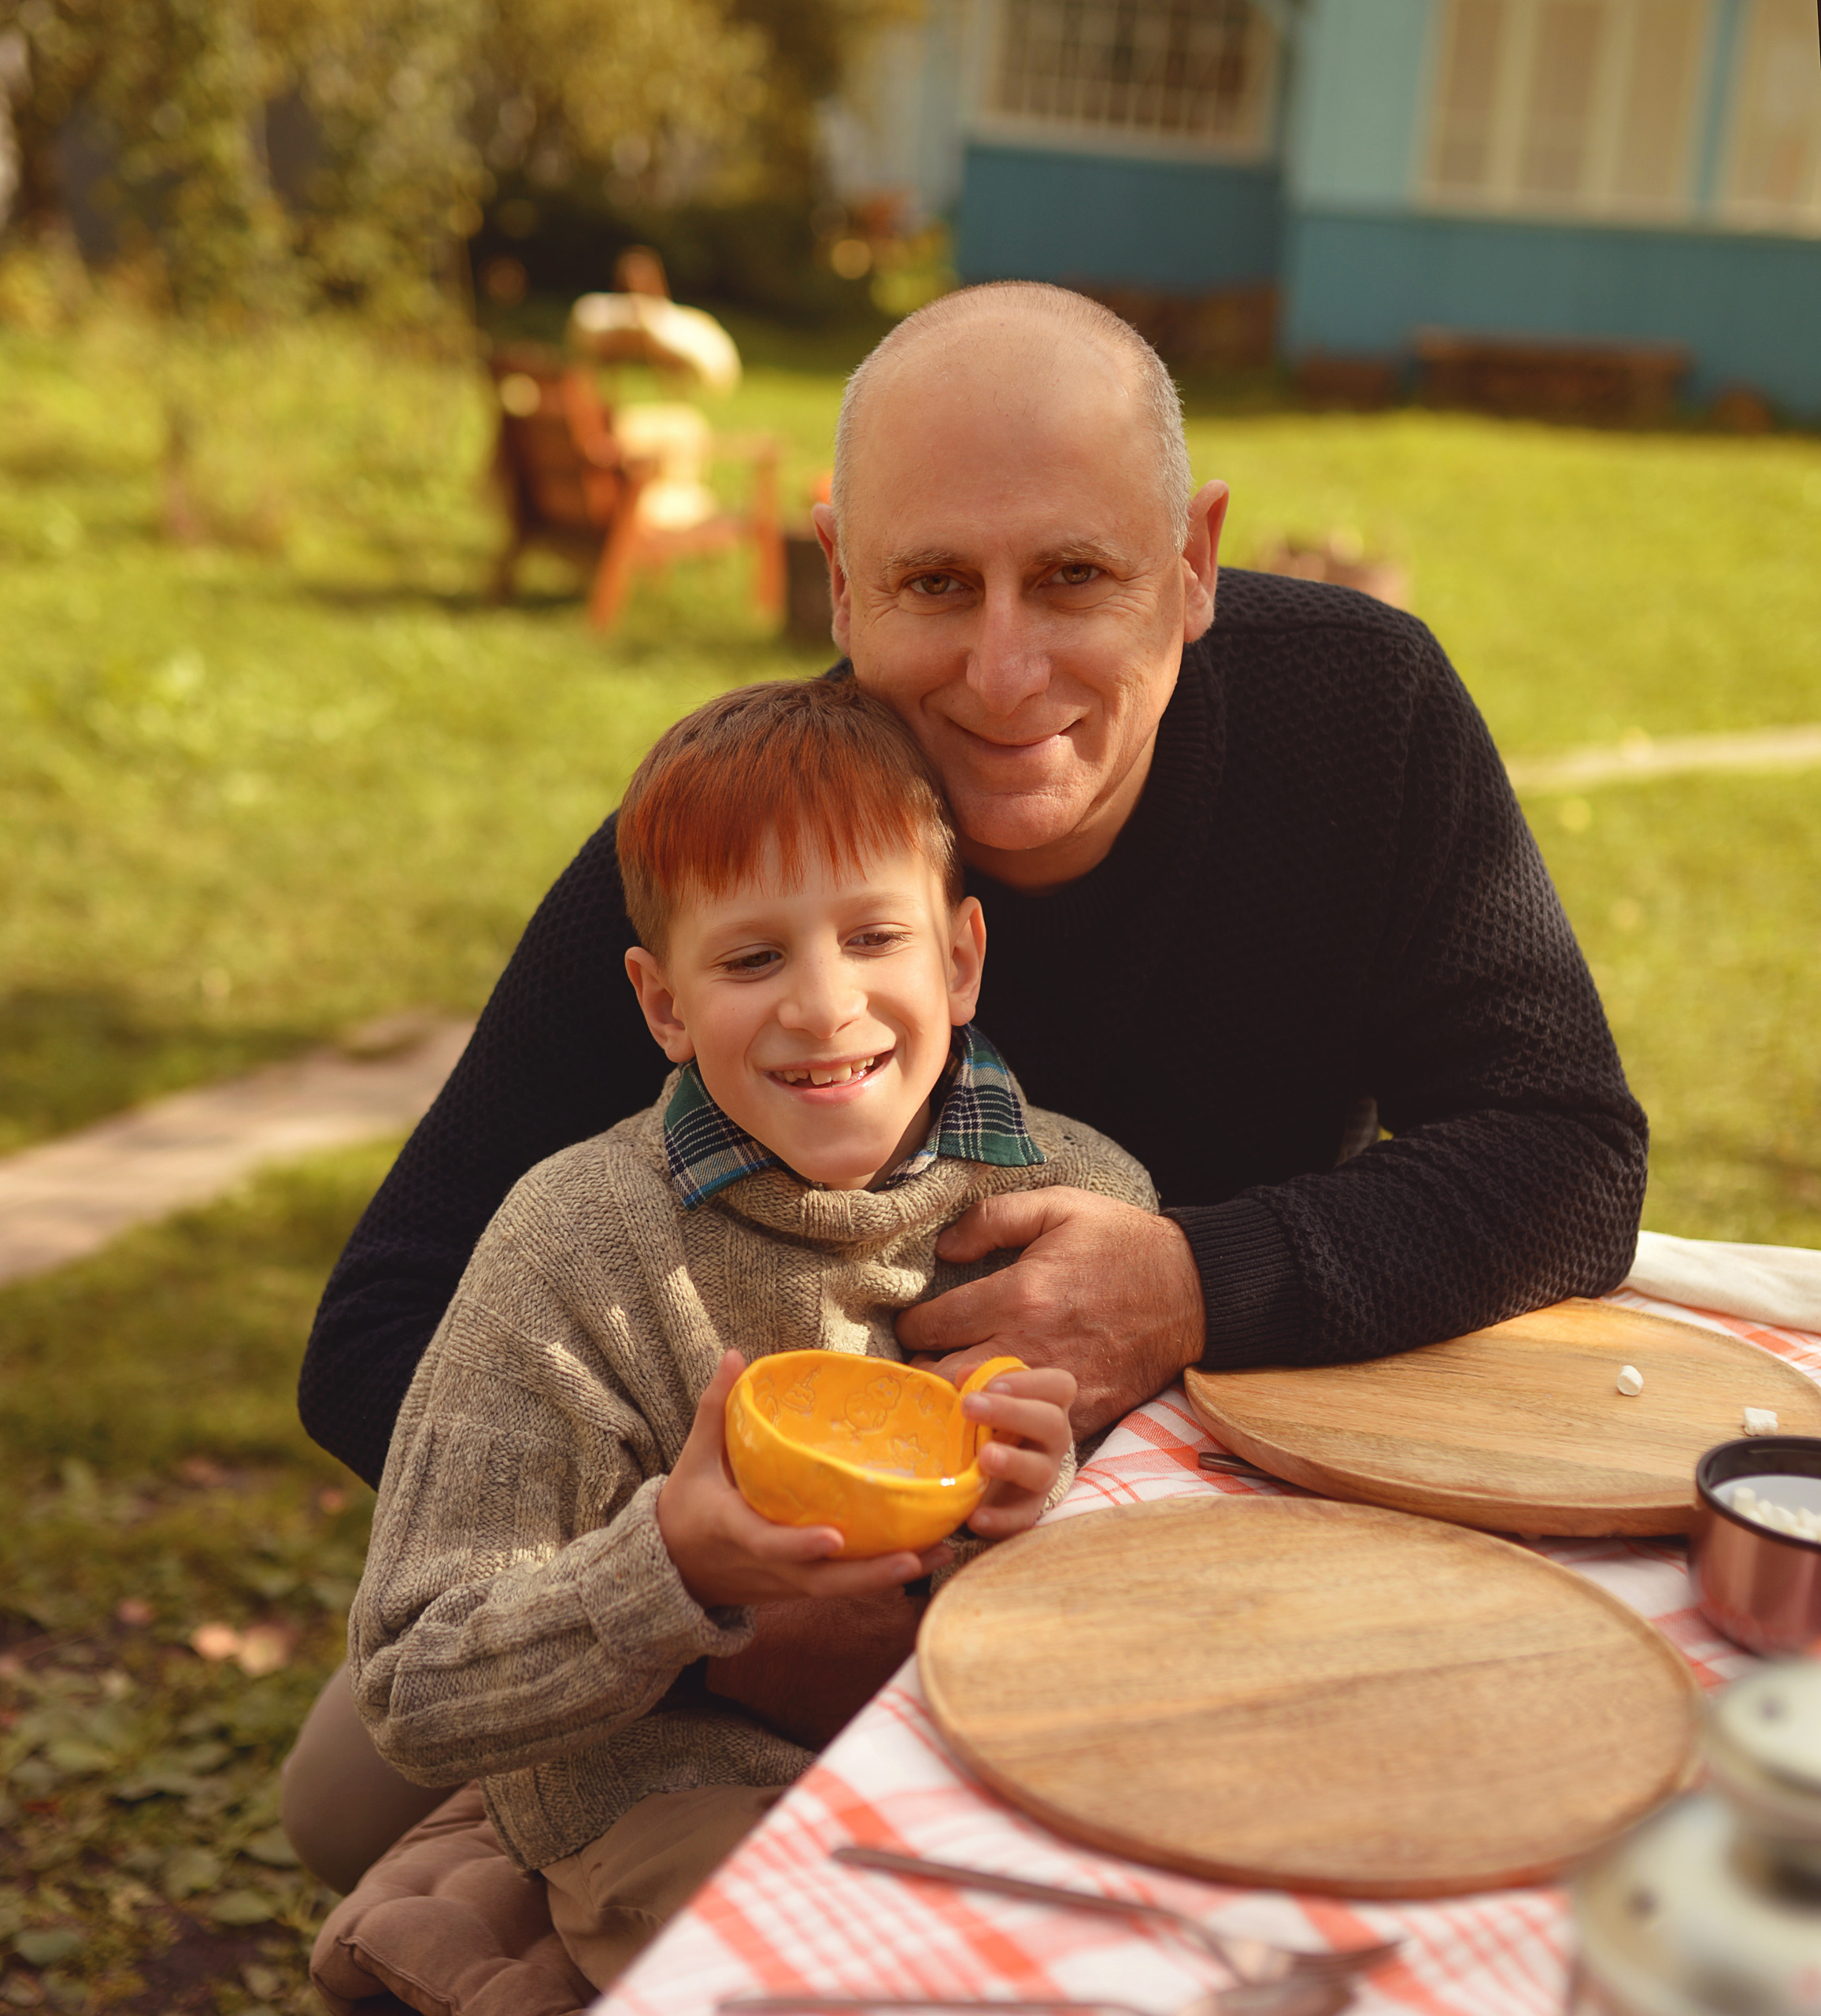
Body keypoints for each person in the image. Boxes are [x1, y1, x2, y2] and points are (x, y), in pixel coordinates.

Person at [287, 281, 1646, 1884]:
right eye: (934, 582)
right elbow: (378, 1318)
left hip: (1119, 1539)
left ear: (1193, 563)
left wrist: (1196, 1278)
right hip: (720, 1567)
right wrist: (731, 1604)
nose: (1003, 673)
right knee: (336, 1802)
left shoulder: (1361, 719)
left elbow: (1564, 1146)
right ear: (839, 583)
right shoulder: (739, 851)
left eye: (1073, 575)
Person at [316, 678, 1154, 2004]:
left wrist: (1041, 1490)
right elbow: (415, 1684)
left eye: (874, 936)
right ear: (662, 1004)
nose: (825, 1010)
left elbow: (1160, 1567)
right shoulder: (577, 1247)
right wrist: (670, 1566)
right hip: (670, 1772)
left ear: (960, 958)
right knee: (851, 1977)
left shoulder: (1087, 1206)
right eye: (753, 959)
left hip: (973, 1751)